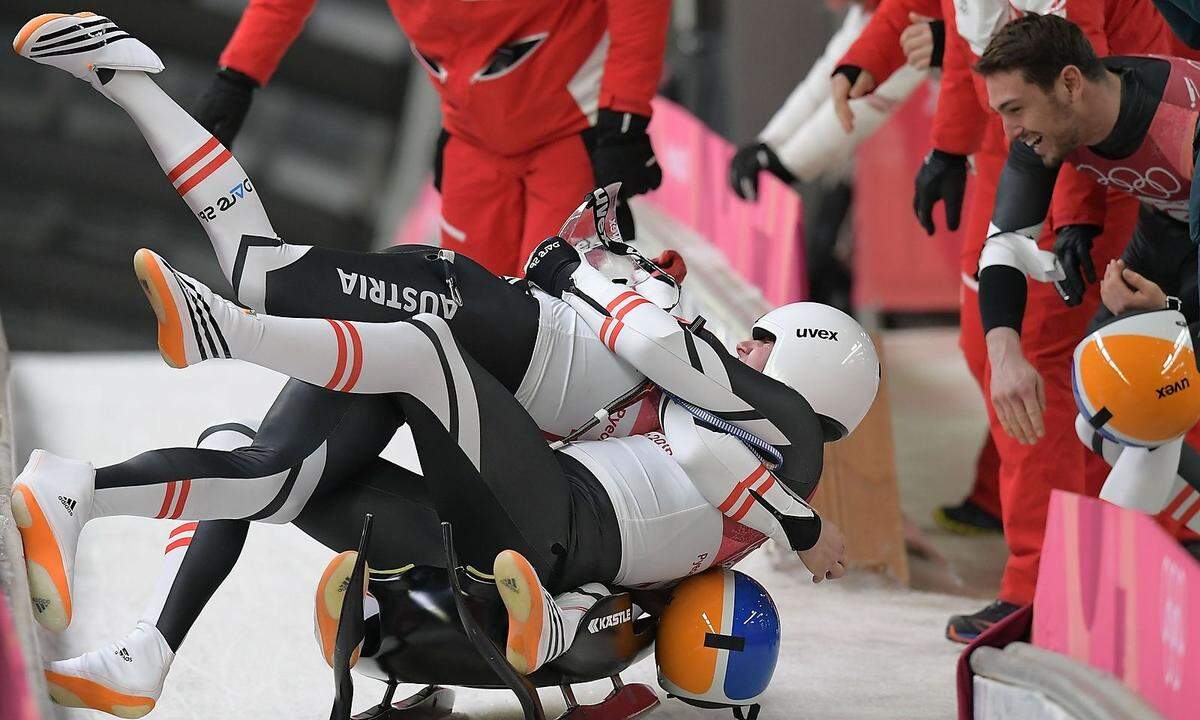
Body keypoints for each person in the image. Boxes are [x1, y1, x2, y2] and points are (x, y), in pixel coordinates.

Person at [10, 13, 880, 713]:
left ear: (809, 363)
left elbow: (683, 430)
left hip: (504, 438)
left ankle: (114, 509)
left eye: (764, 338)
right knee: (286, 376)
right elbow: (667, 413)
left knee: (282, 448)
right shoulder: (733, 430)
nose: (746, 341)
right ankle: (143, 567)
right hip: (487, 364)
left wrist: (798, 526)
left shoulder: (746, 424)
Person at [195, 0, 669, 276]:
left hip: (568, 134)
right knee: (472, 302)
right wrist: (237, 77)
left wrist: (623, 124)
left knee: (562, 297)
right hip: (471, 141)